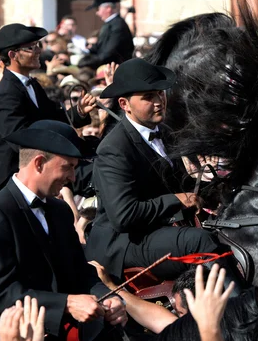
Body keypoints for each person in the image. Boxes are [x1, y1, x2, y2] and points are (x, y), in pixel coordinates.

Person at [0, 120, 127, 341]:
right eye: (67, 167)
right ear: (39, 163)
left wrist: (109, 298)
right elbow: (1, 295)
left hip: (58, 336)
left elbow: (83, 275)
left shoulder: (60, 212)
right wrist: (68, 303)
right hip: (3, 339)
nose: (72, 177)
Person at [86, 58, 240, 285]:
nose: (159, 101)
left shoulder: (165, 131)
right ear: (124, 104)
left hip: (157, 230)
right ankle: (243, 312)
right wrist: (177, 200)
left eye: (160, 93)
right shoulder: (113, 149)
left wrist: (224, 190)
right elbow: (124, 216)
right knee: (200, 242)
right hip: (122, 244)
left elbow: (180, 184)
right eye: (148, 97)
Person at [0, 24, 94, 197]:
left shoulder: (33, 85)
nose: (39, 51)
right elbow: (19, 139)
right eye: (32, 48)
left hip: (34, 172)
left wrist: (79, 112)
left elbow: (54, 120)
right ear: (13, 55)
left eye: (38, 45)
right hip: (8, 180)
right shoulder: (7, 93)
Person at [82, 0, 134, 68]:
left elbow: (109, 52)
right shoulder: (111, 23)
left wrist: (86, 62)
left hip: (116, 68)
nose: (97, 13)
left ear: (108, 8)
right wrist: (89, 49)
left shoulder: (118, 25)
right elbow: (103, 45)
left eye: (98, 9)